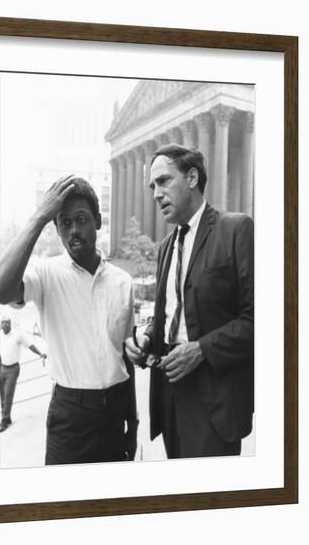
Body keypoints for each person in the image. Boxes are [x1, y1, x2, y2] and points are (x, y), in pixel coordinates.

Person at [125, 144, 254, 459]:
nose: (156, 193)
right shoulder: (165, 247)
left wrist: (202, 350)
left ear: (193, 177)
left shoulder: (237, 229)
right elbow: (171, 315)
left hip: (216, 404)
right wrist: (144, 337)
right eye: (153, 186)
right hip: (169, 398)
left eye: (164, 181)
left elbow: (261, 319)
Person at [0, 176, 138, 464]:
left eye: (82, 219)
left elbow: (124, 355)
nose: (74, 230)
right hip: (70, 416)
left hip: (116, 413)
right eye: (64, 223)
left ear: (98, 221)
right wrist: (40, 216)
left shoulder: (123, 282)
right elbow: (1, 290)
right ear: (57, 228)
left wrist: (132, 424)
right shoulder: (45, 275)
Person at [0, 315, 47, 432]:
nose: (4, 325)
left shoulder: (18, 334)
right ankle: (7, 418)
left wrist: (40, 353)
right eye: (2, 323)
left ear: (10, 323)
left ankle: (4, 421)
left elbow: (30, 345)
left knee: (8, 394)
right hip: (2, 368)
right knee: (3, 395)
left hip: (13, 369)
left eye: (6, 323)